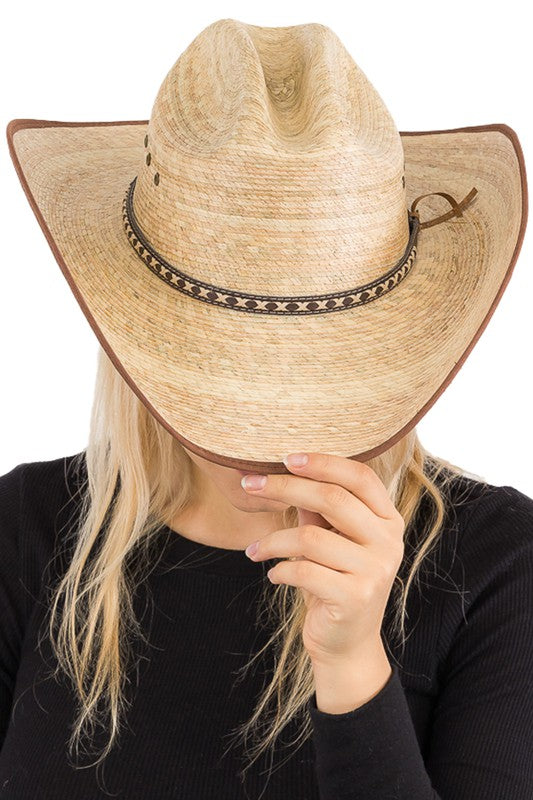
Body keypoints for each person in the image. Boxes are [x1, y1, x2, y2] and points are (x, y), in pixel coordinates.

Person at [1, 17, 531, 800]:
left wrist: (353, 669)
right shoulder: (27, 529)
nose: (266, 417)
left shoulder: (497, 566)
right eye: (225, 359)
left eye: (311, 355)